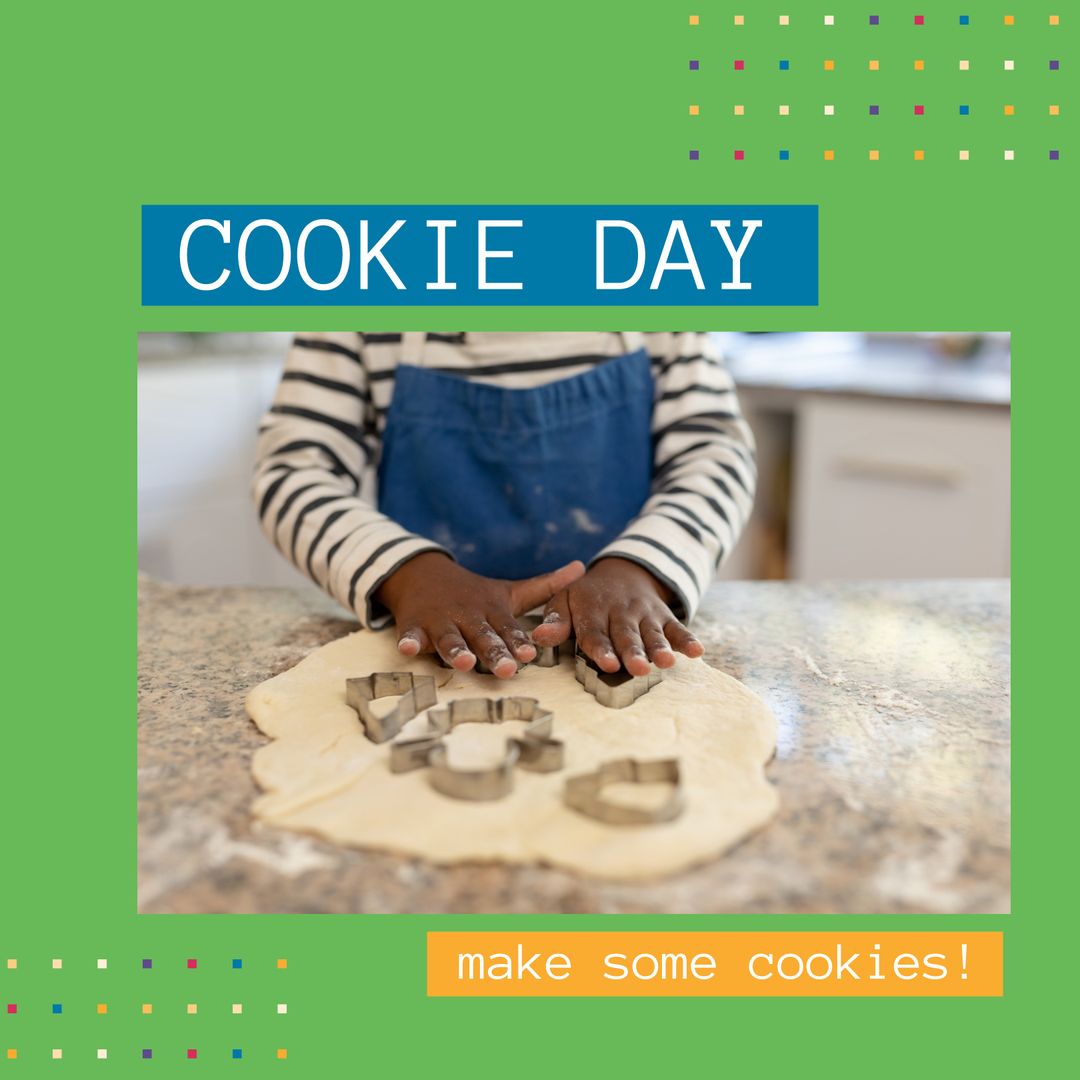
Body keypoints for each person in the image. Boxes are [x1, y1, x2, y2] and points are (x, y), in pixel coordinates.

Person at [253, 332, 755, 679]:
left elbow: (714, 454)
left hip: (628, 639)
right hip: (432, 645)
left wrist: (644, 568)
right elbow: (293, 470)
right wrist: (408, 574)